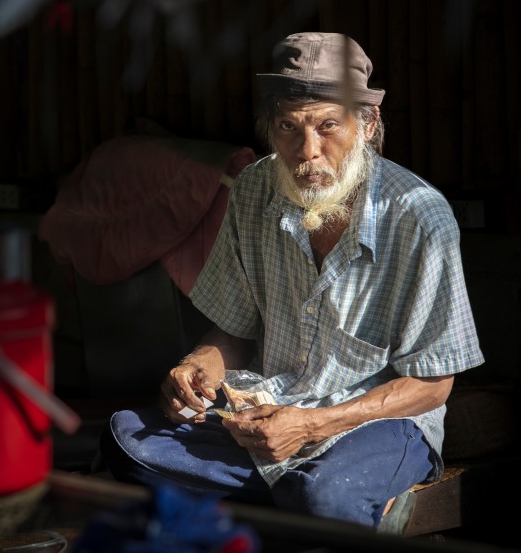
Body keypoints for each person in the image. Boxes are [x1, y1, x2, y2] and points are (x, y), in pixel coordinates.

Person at [100, 32, 485, 529]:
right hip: (271, 408)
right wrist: (196, 366)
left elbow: (433, 384)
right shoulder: (255, 190)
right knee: (125, 439)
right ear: (270, 128)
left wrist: (313, 425)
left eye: (328, 126)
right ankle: (312, 502)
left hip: (375, 424)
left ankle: (305, 498)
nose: (307, 151)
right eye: (288, 127)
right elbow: (235, 330)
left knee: (325, 495)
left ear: (366, 125)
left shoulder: (418, 216)